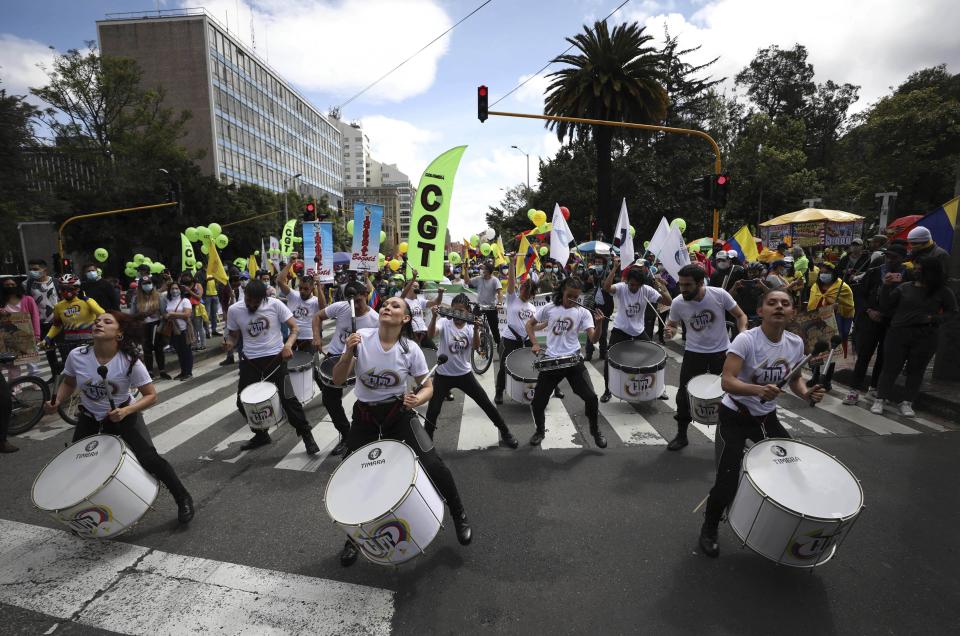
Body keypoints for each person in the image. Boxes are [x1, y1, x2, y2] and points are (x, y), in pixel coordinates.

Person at [332, 296, 472, 566]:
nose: (387, 307)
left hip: (398, 415)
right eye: (385, 304)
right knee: (354, 476)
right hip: (365, 416)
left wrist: (418, 399)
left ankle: (459, 514)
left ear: (405, 318)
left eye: (395, 306)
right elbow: (338, 379)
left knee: (432, 462)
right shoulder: (361, 337)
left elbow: (428, 386)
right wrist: (348, 352)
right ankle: (353, 538)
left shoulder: (411, 349)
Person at [698, 290, 825, 558]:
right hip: (735, 416)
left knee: (791, 468)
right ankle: (709, 528)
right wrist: (757, 390)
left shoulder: (795, 343)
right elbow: (727, 381)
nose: (779, 306)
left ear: (793, 312)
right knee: (727, 480)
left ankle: (778, 526)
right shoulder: (746, 340)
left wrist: (806, 393)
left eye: (785, 303)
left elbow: (794, 379)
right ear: (761, 310)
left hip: (767, 418)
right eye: (772, 303)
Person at [44, 311, 194, 523]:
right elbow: (69, 382)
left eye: (107, 322)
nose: (99, 323)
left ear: (120, 333)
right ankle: (88, 511)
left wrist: (125, 411)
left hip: (123, 415)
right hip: (89, 416)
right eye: (97, 320)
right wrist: (57, 401)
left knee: (149, 459)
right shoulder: (77, 355)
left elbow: (151, 395)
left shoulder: (130, 361)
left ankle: (182, 498)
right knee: (79, 462)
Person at [225, 280, 319, 453]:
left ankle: (307, 435)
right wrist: (230, 342)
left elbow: (294, 328)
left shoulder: (275, 305)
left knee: (289, 401)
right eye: (248, 300)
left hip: (276, 360)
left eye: (255, 301)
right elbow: (234, 335)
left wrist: (288, 346)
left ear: (263, 297)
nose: (251, 304)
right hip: (250, 362)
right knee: (242, 402)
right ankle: (261, 434)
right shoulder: (234, 310)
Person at [664, 265, 748, 451]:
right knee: (683, 396)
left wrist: (742, 334)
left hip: (722, 353)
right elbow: (672, 325)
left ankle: (734, 437)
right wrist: (670, 331)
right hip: (694, 354)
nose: (683, 289)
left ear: (701, 283)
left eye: (687, 285)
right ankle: (681, 434)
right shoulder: (678, 302)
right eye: (680, 284)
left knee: (732, 396)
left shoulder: (719, 295)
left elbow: (740, 315)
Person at [425, 293, 518, 448]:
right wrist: (434, 317)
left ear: (468, 311)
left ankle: (505, 432)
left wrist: (475, 329)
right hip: (443, 375)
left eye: (461, 311)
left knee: (486, 404)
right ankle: (427, 443)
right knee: (433, 411)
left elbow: (476, 347)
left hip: (464, 375)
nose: (458, 314)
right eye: (454, 311)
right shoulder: (444, 323)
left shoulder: (470, 326)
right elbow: (430, 335)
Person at [526, 277, 607, 447]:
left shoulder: (583, 312)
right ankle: (540, 431)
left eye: (576, 297)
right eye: (569, 295)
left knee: (591, 398)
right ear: (563, 291)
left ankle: (595, 431)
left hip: (573, 360)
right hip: (552, 361)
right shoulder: (550, 308)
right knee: (538, 402)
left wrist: (599, 325)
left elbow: (593, 338)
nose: (572, 300)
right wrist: (534, 343)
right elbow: (529, 324)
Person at [872, 257, 957, 417]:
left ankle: (907, 402)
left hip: (926, 335)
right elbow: (886, 305)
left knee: (916, 370)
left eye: (920, 269)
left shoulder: (943, 292)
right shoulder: (904, 287)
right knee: (891, 368)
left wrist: (934, 319)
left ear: (931, 272)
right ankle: (880, 399)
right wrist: (886, 286)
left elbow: (952, 312)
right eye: (915, 268)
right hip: (898, 333)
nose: (916, 271)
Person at [311, 281, 379, 456]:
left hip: (360, 362)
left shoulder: (375, 320)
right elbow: (317, 316)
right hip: (336, 357)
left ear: (366, 295)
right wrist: (317, 337)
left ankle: (368, 435)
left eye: (358, 301)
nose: (354, 305)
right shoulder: (341, 307)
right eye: (351, 302)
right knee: (330, 400)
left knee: (365, 402)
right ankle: (346, 434)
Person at [599, 259, 672, 403]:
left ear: (642, 284)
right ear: (627, 282)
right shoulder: (621, 287)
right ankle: (607, 390)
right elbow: (606, 288)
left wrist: (661, 286)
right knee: (609, 359)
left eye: (637, 285)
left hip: (638, 331)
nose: (634, 287)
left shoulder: (646, 290)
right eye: (632, 284)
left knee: (656, 357)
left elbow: (668, 302)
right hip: (620, 329)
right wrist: (614, 268)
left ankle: (659, 388)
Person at [845, 244, 907, 404]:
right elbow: (859, 295)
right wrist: (869, 311)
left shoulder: (908, 275)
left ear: (902, 259)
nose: (890, 260)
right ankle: (854, 390)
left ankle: (874, 388)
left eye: (894, 257)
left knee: (884, 356)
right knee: (864, 354)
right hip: (870, 320)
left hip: (891, 322)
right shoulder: (874, 272)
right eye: (888, 256)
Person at [494, 257, 538, 405]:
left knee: (527, 365)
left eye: (530, 293)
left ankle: (525, 391)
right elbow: (511, 283)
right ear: (522, 288)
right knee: (504, 366)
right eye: (525, 290)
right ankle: (499, 391)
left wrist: (545, 323)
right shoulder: (512, 299)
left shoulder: (532, 308)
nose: (526, 294)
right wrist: (512, 263)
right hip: (509, 340)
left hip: (525, 341)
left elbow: (533, 326)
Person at [44, 275, 105, 368]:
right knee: (74, 369)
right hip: (70, 342)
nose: (66, 292)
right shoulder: (58, 306)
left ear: (77, 289)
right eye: (63, 289)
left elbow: (102, 313)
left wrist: (86, 299)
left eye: (70, 289)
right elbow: (57, 325)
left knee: (93, 367)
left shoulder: (87, 301)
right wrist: (48, 337)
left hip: (90, 341)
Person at [24, 259, 60, 378]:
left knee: (64, 350)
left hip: (58, 322)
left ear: (44, 270)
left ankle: (68, 376)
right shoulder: (28, 284)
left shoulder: (55, 282)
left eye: (35, 269)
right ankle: (55, 376)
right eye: (31, 269)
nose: (32, 271)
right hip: (41, 324)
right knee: (49, 351)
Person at [129, 277, 170, 380]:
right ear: (140, 285)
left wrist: (160, 317)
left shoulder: (159, 296)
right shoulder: (136, 298)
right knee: (146, 348)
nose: (147, 285)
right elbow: (132, 314)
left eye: (149, 283)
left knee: (158, 348)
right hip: (143, 325)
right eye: (144, 283)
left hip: (156, 325)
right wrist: (142, 315)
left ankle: (162, 370)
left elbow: (165, 312)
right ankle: (150, 372)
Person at [278, 259, 322, 352]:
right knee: (291, 364)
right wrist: (290, 263)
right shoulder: (293, 295)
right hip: (292, 339)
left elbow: (323, 307)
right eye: (300, 288)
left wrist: (318, 285)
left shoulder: (315, 301)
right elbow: (280, 282)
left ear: (312, 288)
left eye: (306, 289)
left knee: (309, 365)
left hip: (309, 339)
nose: (302, 291)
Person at [2, 278, 41, 377]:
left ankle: (35, 381)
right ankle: (16, 384)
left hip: (27, 335)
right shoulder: (1, 301)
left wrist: (37, 334)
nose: (10, 287)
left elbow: (35, 317)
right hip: (8, 336)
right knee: (12, 362)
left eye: (12, 284)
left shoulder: (28, 299)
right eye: (7, 285)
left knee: (31, 361)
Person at [466, 262, 503, 350]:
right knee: (472, 322)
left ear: (489, 271)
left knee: (494, 329)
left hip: (491, 307)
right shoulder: (479, 278)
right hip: (479, 306)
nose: (482, 271)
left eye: (484, 269)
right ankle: (476, 338)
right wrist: (466, 270)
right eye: (482, 269)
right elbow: (467, 281)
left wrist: (499, 304)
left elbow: (500, 293)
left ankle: (499, 346)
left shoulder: (495, 280)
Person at [162, 280, 194, 381]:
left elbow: (187, 314)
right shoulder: (169, 301)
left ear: (180, 290)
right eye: (172, 289)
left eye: (176, 288)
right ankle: (183, 371)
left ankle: (188, 373)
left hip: (184, 329)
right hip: (173, 330)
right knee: (179, 352)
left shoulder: (185, 301)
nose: (174, 290)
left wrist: (172, 314)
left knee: (186, 351)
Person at [218, 272, 244, 366]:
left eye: (240, 280)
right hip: (232, 320)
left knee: (242, 344)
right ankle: (230, 357)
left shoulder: (246, 291)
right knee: (228, 337)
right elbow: (226, 305)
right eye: (237, 281)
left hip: (242, 321)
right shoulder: (228, 291)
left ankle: (243, 364)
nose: (239, 282)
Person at [179, 272, 205, 351]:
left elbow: (199, 297)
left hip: (196, 307)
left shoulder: (197, 285)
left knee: (199, 327)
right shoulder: (182, 286)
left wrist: (189, 291)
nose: (186, 278)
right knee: (191, 327)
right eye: (184, 277)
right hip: (187, 309)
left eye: (187, 276)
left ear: (191, 277)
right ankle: (194, 344)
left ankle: (202, 344)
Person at [200, 263, 222, 337]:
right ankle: (207, 332)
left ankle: (214, 330)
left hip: (215, 295)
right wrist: (206, 280)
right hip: (207, 296)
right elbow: (199, 284)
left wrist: (217, 281)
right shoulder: (200, 273)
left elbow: (218, 283)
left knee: (214, 315)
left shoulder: (214, 272)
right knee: (207, 315)